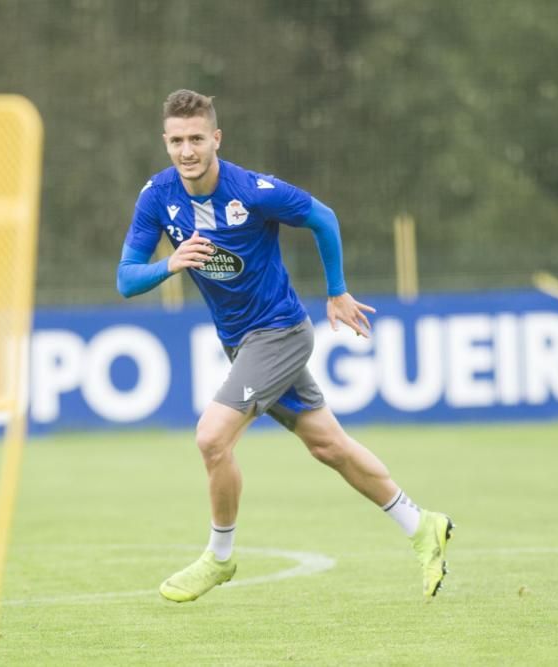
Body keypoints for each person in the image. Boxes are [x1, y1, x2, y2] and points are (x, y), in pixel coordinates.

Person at [116, 89, 452, 603]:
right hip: (242, 343)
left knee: (211, 438)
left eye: (197, 139)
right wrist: (171, 263)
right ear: (166, 142)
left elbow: (324, 217)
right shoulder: (157, 197)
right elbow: (126, 279)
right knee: (329, 447)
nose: (187, 151)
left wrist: (336, 290)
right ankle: (421, 524)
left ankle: (220, 558)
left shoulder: (251, 191)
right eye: (177, 141)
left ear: (216, 139)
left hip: (279, 333)